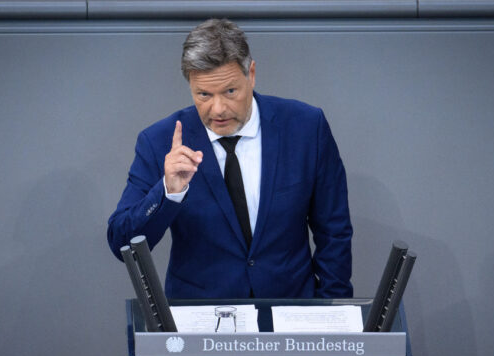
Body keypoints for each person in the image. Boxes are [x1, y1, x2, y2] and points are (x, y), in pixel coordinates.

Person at [107, 18, 352, 299]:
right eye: (204, 95)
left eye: (230, 91)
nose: (218, 109)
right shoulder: (158, 142)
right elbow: (122, 244)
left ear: (252, 74)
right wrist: (167, 193)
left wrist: (332, 312)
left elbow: (334, 231)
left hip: (290, 317)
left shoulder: (306, 127)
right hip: (202, 328)